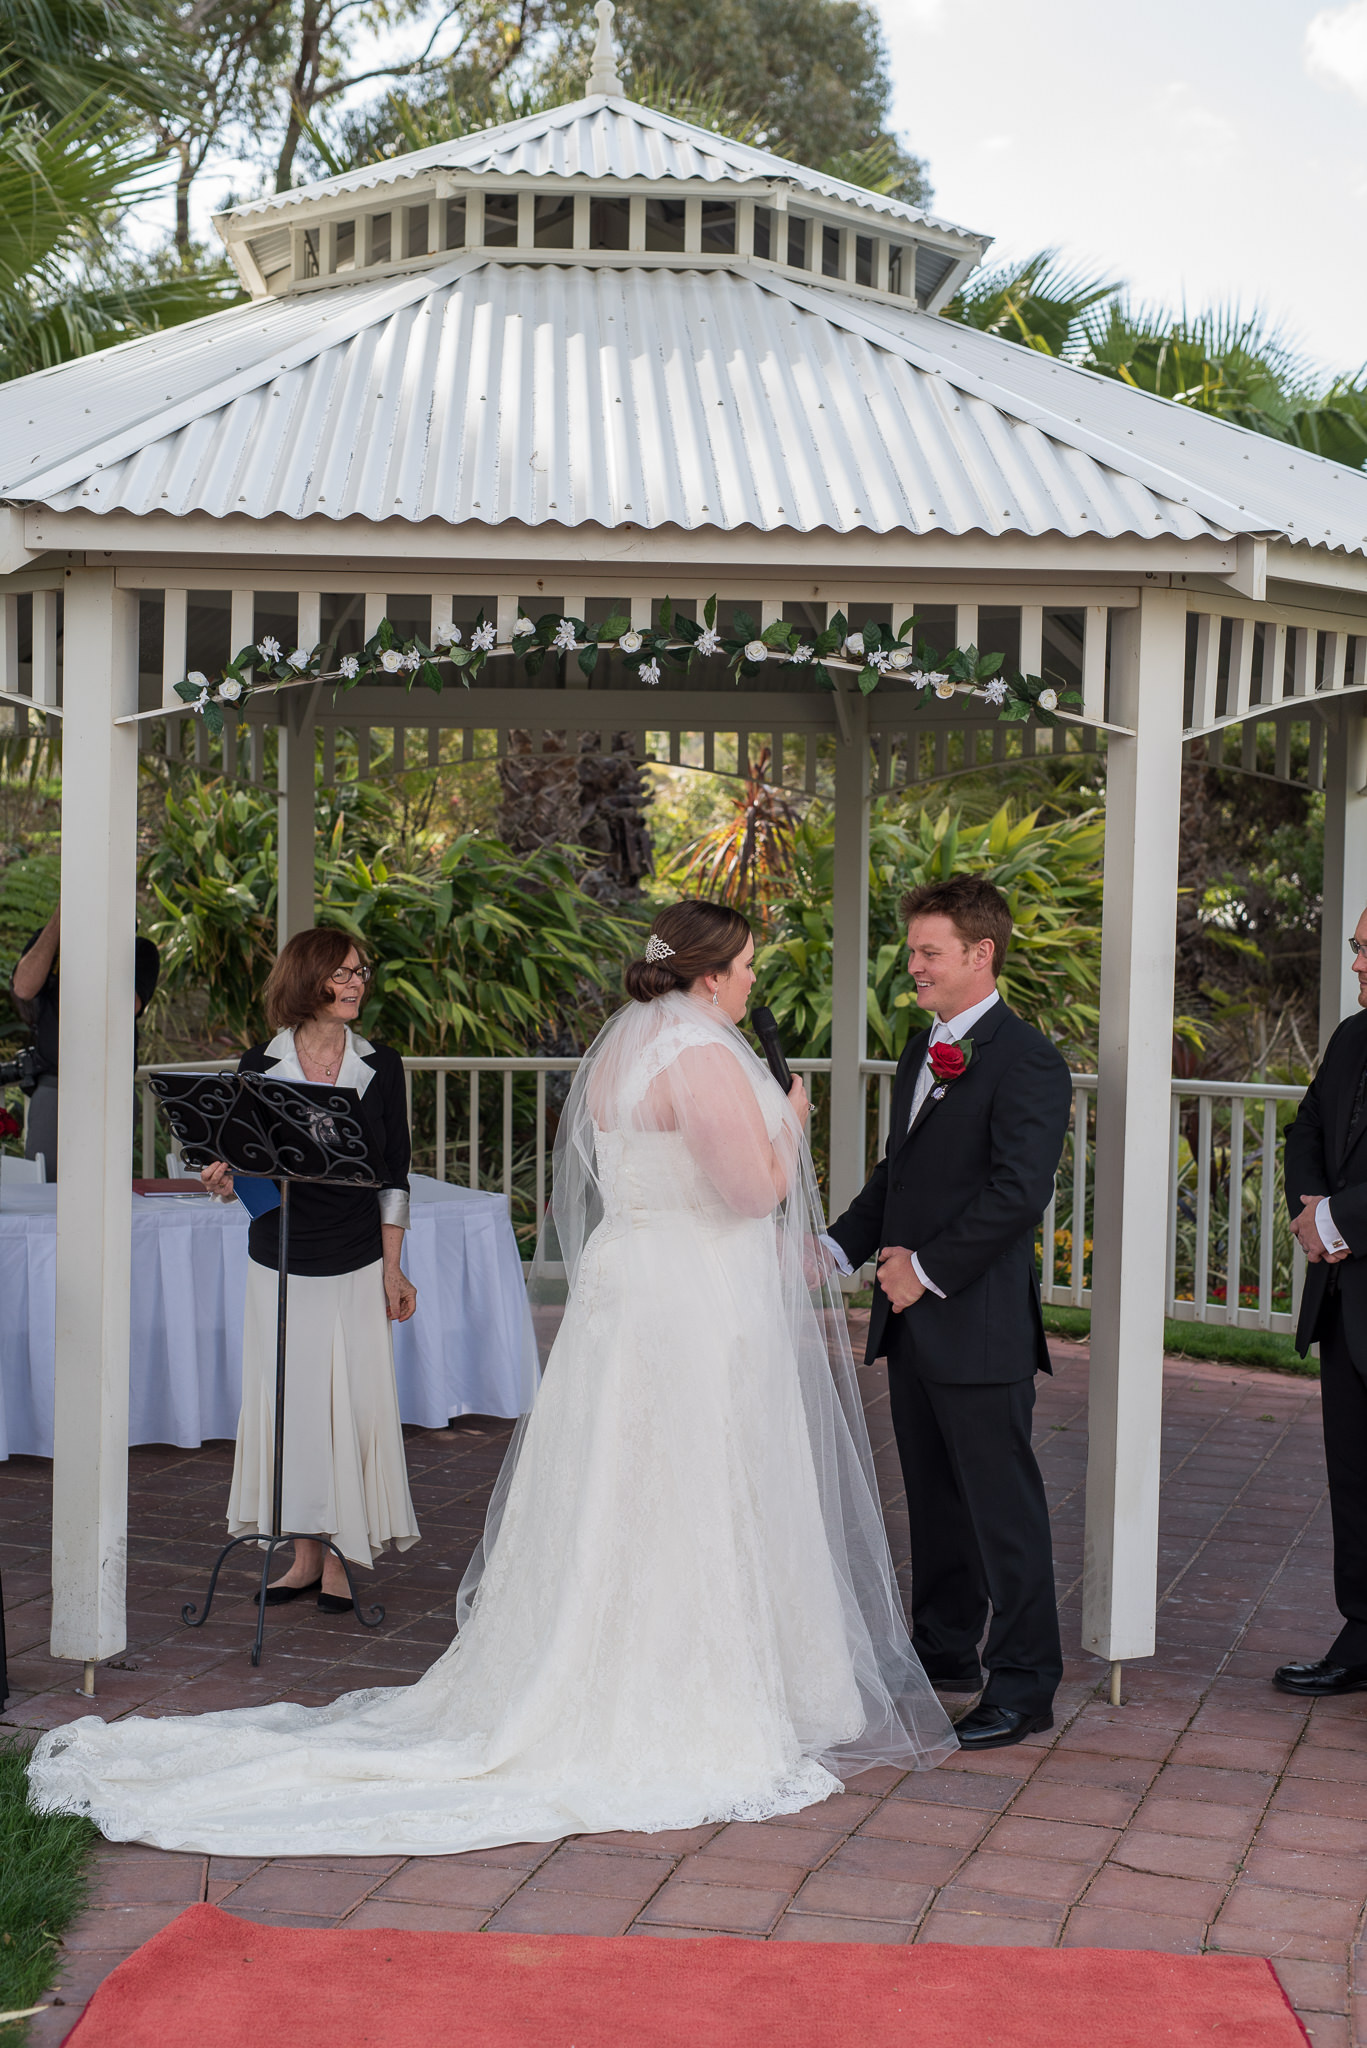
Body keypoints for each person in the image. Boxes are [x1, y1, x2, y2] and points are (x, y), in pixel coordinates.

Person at [27, 900, 955, 1857]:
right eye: (750, 965)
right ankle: (684, 1681)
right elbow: (751, 1193)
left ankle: (587, 1650)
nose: (755, 981)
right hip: (690, 1295)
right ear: (712, 975)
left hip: (629, 1282)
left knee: (618, 1481)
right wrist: (791, 1123)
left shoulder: (626, 1050)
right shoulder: (705, 1055)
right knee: (692, 1477)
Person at [822, 876, 1073, 1751]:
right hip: (912, 1320)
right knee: (932, 1501)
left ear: (980, 954)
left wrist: (923, 1271)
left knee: (1003, 1510)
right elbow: (901, 1176)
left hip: (976, 1321)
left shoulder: (1028, 1059)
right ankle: (944, 1654)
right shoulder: (917, 1053)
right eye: (912, 950)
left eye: (929, 952)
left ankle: (1025, 1683)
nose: (913, 966)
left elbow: (1016, 1195)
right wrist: (834, 1247)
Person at [200, 927, 420, 1608]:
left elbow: (394, 1174)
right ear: (307, 980)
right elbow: (244, 1164)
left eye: (360, 971)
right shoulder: (257, 1063)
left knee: (352, 1406)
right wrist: (224, 1177)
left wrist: (394, 1269)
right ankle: (301, 1556)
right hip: (280, 1259)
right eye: (341, 973)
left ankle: (342, 1558)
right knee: (291, 1407)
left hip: (356, 1259)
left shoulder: (382, 1065)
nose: (356, 983)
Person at [1277, 901, 1367, 1697]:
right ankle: (1361, 1633)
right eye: (1356, 947)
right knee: (1354, 1476)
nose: (1357, 965)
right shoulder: (1351, 1037)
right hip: (1345, 1300)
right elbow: (1305, 1125)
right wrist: (1311, 1212)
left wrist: (1338, 1219)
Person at [9, 899, 160, 1180]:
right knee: (45, 1189)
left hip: (113, 1090)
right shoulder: (50, 943)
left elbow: (128, 1005)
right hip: (55, 1085)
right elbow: (24, 987)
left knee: (110, 1187)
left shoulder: (140, 950)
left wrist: (108, 941)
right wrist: (59, 919)